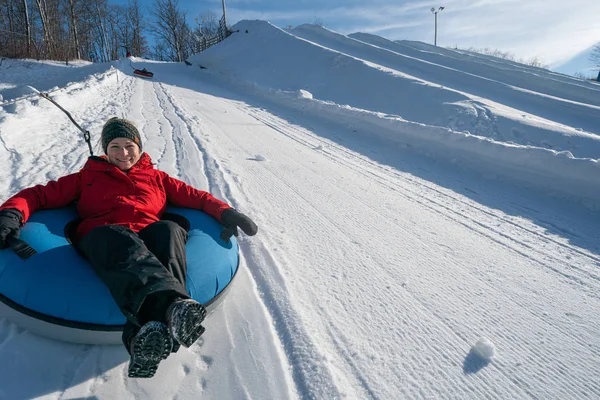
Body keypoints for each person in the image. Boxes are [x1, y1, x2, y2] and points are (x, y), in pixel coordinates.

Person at [0, 117, 258, 378]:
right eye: (114, 147)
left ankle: (143, 336)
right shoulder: (85, 178)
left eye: (129, 145)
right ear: (105, 150)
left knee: (167, 229)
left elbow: (197, 197)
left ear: (139, 147)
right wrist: (11, 214)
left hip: (146, 235)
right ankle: (174, 309)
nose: (123, 153)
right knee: (115, 234)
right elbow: (37, 195)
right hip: (104, 238)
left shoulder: (156, 178)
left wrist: (226, 213)